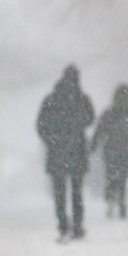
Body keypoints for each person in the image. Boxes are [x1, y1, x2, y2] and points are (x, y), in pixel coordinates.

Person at [37, 65, 95, 242]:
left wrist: (52, 140)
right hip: (76, 150)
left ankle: (63, 226)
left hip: (57, 152)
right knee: (77, 192)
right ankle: (77, 226)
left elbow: (41, 125)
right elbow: (90, 118)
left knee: (60, 193)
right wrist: (75, 130)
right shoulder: (82, 99)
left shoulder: (51, 99)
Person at [91, 84, 128, 219]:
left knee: (111, 177)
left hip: (110, 152)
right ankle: (121, 203)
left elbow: (99, 131)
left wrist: (93, 146)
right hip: (127, 152)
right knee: (123, 179)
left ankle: (111, 199)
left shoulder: (109, 113)